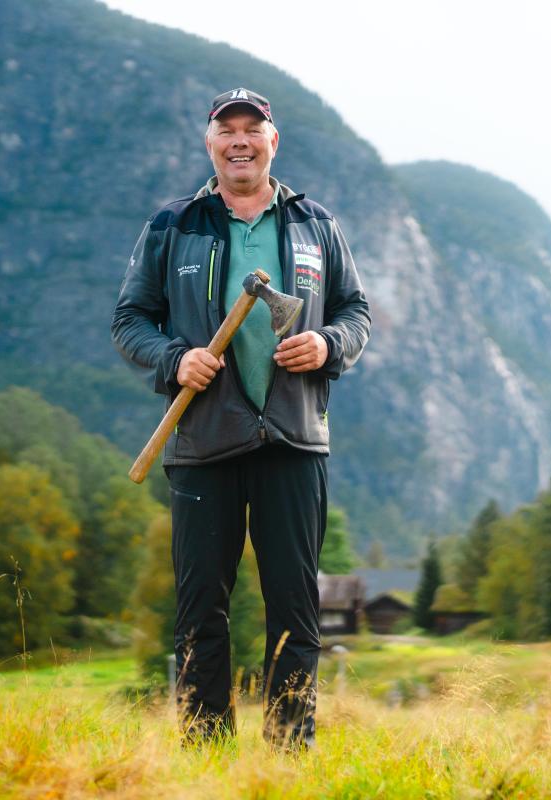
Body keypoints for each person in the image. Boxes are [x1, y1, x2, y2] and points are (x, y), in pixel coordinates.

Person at [111, 87, 370, 749]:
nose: (239, 141)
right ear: (210, 143)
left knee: (295, 610)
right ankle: (205, 752)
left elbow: (355, 313)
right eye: (226, 129)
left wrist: (328, 344)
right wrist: (176, 360)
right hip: (203, 441)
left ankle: (288, 753)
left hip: (294, 439)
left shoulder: (316, 223)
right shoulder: (176, 224)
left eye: (252, 128)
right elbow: (130, 319)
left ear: (272, 140)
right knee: (201, 613)